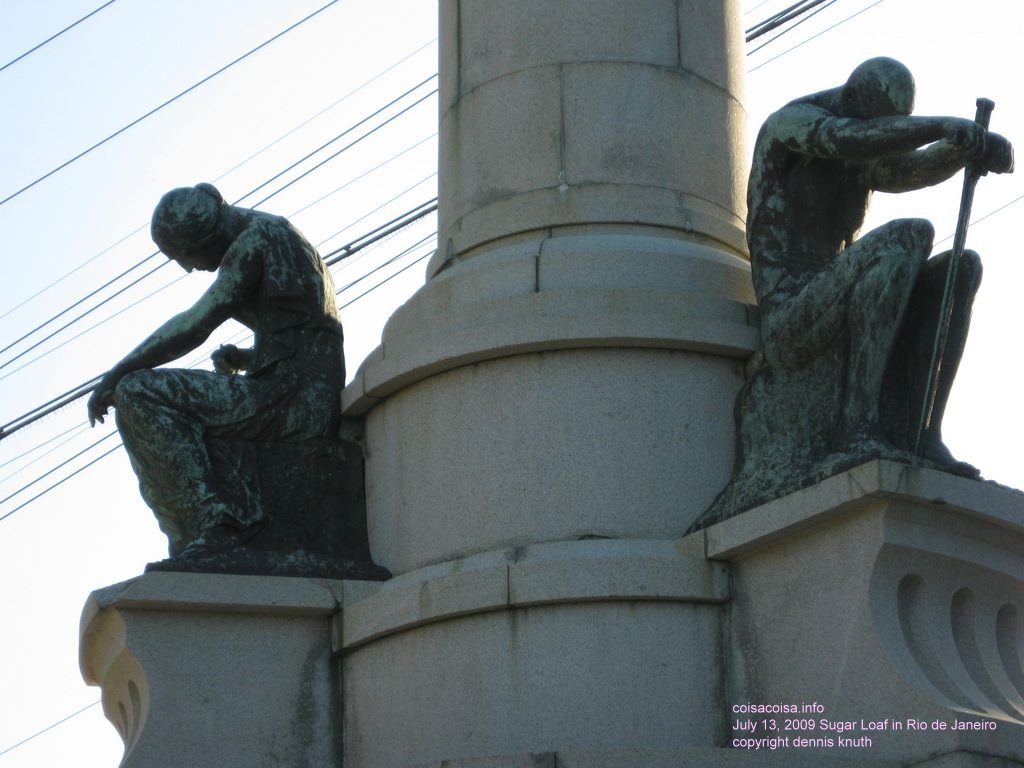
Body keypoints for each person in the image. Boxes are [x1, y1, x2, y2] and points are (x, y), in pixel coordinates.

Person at [746, 56, 1013, 473]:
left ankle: (925, 433)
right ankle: (856, 427)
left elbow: (907, 169)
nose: (885, 135)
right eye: (882, 125)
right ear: (852, 96)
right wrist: (942, 125)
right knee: (910, 233)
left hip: (830, 299)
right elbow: (851, 138)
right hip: (790, 315)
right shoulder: (794, 123)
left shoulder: (863, 147)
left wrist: (964, 148)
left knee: (962, 269)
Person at [87, 183, 345, 561]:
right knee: (145, 393)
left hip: (294, 401)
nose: (190, 267)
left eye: (187, 256)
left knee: (139, 392)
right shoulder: (279, 233)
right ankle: (205, 529)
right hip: (297, 388)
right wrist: (245, 357)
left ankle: (215, 525)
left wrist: (118, 372)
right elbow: (306, 334)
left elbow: (195, 323)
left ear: (211, 235)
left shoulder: (254, 242)